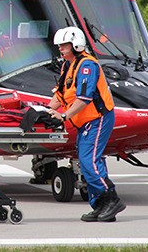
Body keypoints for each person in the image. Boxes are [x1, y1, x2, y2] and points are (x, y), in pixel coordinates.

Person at [48, 26, 126, 222]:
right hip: (85, 121)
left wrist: (64, 116)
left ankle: (111, 198)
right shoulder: (68, 65)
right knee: (88, 161)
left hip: (98, 118)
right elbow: (60, 95)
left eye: (63, 45)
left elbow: (84, 98)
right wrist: (46, 111)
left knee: (88, 161)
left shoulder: (87, 66)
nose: (60, 49)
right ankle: (100, 205)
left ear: (75, 45)